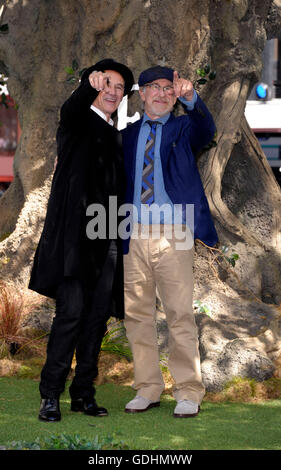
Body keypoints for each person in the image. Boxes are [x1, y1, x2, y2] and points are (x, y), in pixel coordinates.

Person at [29, 58, 134, 422]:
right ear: (95, 86)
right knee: (70, 314)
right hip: (74, 241)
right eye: (107, 84)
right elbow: (71, 107)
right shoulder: (75, 122)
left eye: (119, 87)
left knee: (96, 319)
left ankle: (84, 393)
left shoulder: (119, 137)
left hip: (107, 239)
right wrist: (87, 84)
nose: (112, 91)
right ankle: (50, 395)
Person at [121, 65, 218, 418]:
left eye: (168, 89)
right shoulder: (128, 135)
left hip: (174, 234)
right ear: (142, 94)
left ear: (174, 95)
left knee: (179, 314)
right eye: (154, 88)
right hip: (134, 234)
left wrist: (192, 98)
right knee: (136, 314)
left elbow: (208, 129)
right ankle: (147, 388)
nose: (161, 94)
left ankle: (189, 391)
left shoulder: (183, 127)